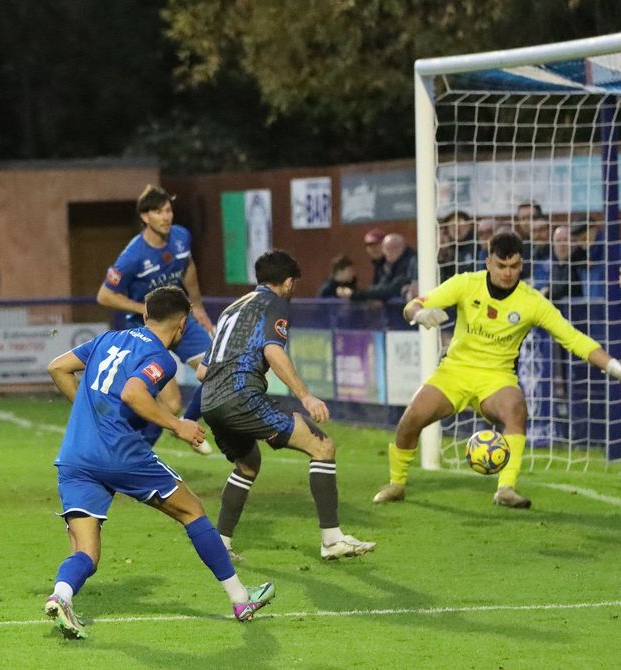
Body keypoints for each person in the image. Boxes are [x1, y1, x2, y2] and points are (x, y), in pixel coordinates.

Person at [43, 286, 275, 639]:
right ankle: (241, 599)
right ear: (182, 325)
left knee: (87, 552)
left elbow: (58, 367)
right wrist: (177, 424)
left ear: (145, 315)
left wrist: (87, 411)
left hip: (76, 456)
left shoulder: (108, 339)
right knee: (192, 511)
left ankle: (61, 596)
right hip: (121, 454)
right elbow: (133, 392)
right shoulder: (162, 358)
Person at [372, 232, 621, 509]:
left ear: (521, 264)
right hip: (454, 372)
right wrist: (419, 313)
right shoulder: (465, 284)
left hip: (496, 379)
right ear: (488, 262)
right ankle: (396, 483)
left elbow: (574, 339)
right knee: (411, 419)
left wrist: (618, 370)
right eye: (501, 266)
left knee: (516, 407)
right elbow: (414, 304)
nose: (508, 273)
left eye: (514, 266)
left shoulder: (531, 301)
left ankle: (506, 488)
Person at [198, 251, 375, 561]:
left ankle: (221, 545)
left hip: (210, 399)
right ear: (289, 282)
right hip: (241, 396)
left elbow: (202, 369)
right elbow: (273, 352)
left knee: (248, 463)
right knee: (323, 447)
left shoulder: (231, 308)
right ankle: (332, 540)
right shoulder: (274, 304)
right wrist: (306, 396)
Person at [95, 185, 213, 444]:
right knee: (170, 405)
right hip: (147, 328)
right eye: (158, 212)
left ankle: (188, 423)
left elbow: (188, 267)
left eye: (169, 210)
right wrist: (143, 309)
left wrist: (199, 306)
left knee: (216, 370)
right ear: (145, 217)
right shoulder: (132, 256)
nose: (166, 216)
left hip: (182, 320)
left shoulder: (181, 236)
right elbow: (104, 295)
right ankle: (129, 447)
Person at [352, 233, 417, 305]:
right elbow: (384, 284)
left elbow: (393, 288)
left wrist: (359, 293)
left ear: (394, 249)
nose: (385, 255)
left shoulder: (410, 262)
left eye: (385, 251)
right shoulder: (391, 264)